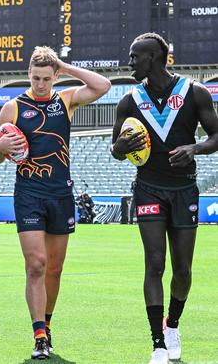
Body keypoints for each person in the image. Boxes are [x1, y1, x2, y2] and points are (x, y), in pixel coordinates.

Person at [0, 46, 110, 360]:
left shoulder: (65, 100)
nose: (40, 84)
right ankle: (39, 334)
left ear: (55, 76)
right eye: (35, 77)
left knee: (55, 269)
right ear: (28, 74)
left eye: (46, 78)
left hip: (60, 194)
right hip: (28, 194)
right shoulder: (12, 107)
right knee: (36, 265)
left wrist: (67, 67)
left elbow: (102, 86)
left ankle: (48, 325)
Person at [111, 32, 218, 364]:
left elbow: (217, 135)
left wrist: (195, 147)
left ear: (153, 58)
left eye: (134, 57)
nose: (129, 62)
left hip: (184, 188)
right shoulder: (129, 100)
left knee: (183, 269)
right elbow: (115, 149)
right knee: (155, 262)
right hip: (148, 188)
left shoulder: (194, 92)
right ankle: (158, 343)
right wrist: (121, 148)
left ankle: (173, 324)